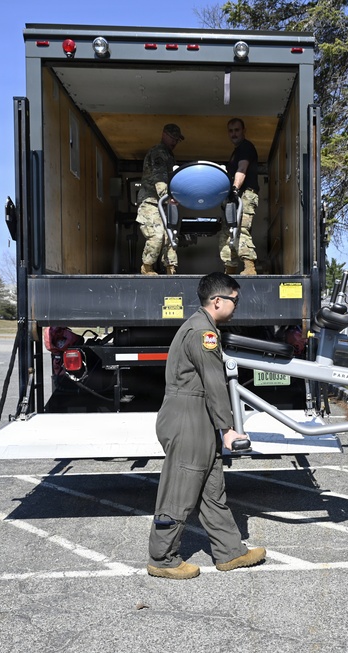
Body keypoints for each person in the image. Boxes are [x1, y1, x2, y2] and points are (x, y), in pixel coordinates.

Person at [147, 272, 267, 579]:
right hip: (188, 416)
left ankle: (230, 552)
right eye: (234, 300)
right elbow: (214, 383)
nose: (236, 305)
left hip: (195, 414)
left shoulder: (202, 326)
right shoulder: (204, 333)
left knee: (211, 489)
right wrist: (227, 428)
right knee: (180, 488)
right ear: (217, 301)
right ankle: (162, 558)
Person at [136, 123, 184, 275]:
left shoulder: (169, 155)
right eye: (172, 137)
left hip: (164, 204)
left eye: (177, 139)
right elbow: (159, 178)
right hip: (151, 202)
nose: (174, 142)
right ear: (164, 135)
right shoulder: (159, 152)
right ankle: (147, 267)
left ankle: (171, 269)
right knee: (157, 236)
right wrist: (167, 196)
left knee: (170, 237)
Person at [219, 118, 259, 276]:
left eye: (237, 130)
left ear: (244, 131)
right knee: (227, 233)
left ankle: (249, 268)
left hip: (244, 194)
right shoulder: (236, 152)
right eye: (231, 131)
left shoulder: (245, 147)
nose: (233, 134)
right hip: (235, 196)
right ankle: (230, 270)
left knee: (241, 229)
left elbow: (242, 169)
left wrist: (234, 190)